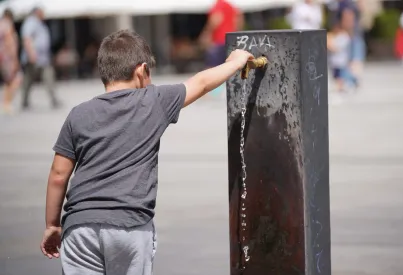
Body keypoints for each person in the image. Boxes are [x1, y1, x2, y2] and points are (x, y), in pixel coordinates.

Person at [39, 29, 253, 275]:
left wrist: (52, 225)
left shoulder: (79, 113)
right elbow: (201, 83)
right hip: (130, 225)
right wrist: (236, 62)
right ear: (141, 71)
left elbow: (58, 174)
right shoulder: (152, 100)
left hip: (80, 227)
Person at [20, 7, 59, 110]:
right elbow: (27, 38)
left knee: (49, 76)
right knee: (28, 79)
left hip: (43, 59)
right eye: (42, 12)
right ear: (37, 12)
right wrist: (31, 54)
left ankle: (54, 99)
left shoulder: (39, 23)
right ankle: (24, 101)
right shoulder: (31, 22)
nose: (44, 14)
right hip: (34, 57)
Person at [199, 0, 243, 68]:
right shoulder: (230, 6)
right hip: (230, 40)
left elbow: (216, 19)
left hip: (219, 40)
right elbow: (239, 21)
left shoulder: (219, 4)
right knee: (227, 67)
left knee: (211, 68)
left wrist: (207, 33)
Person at [0, 9, 22, 115]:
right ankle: (7, 103)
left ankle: (6, 103)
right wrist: (15, 59)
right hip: (8, 58)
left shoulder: (1, 24)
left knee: (7, 81)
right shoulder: (7, 25)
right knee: (17, 78)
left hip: (2, 57)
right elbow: (9, 42)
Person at [327, 24, 356, 93]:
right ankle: (340, 87)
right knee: (335, 76)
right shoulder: (333, 36)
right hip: (334, 61)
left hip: (341, 61)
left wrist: (329, 44)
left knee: (341, 76)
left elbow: (335, 48)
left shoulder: (344, 37)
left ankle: (344, 86)